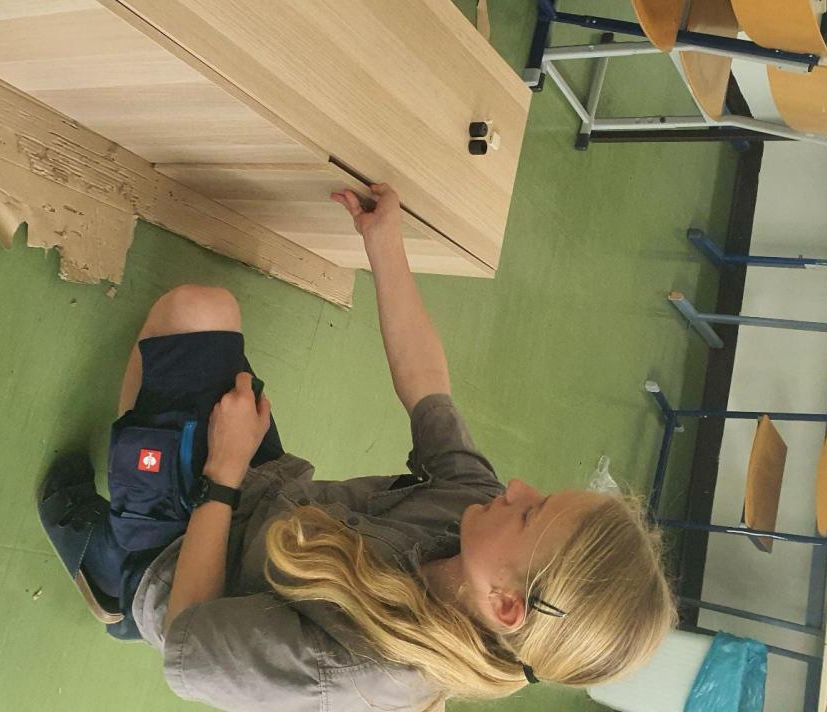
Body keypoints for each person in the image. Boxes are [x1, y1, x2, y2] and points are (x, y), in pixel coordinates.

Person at [39, 183, 676, 711]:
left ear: (506, 603)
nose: (516, 488)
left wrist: (224, 472)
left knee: (187, 313)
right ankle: (131, 525)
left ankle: (118, 579)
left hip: (183, 563)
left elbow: (190, 638)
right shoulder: (475, 514)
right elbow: (428, 388)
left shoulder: (357, 671)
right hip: (262, 493)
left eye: (531, 513)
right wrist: (384, 242)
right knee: (210, 311)